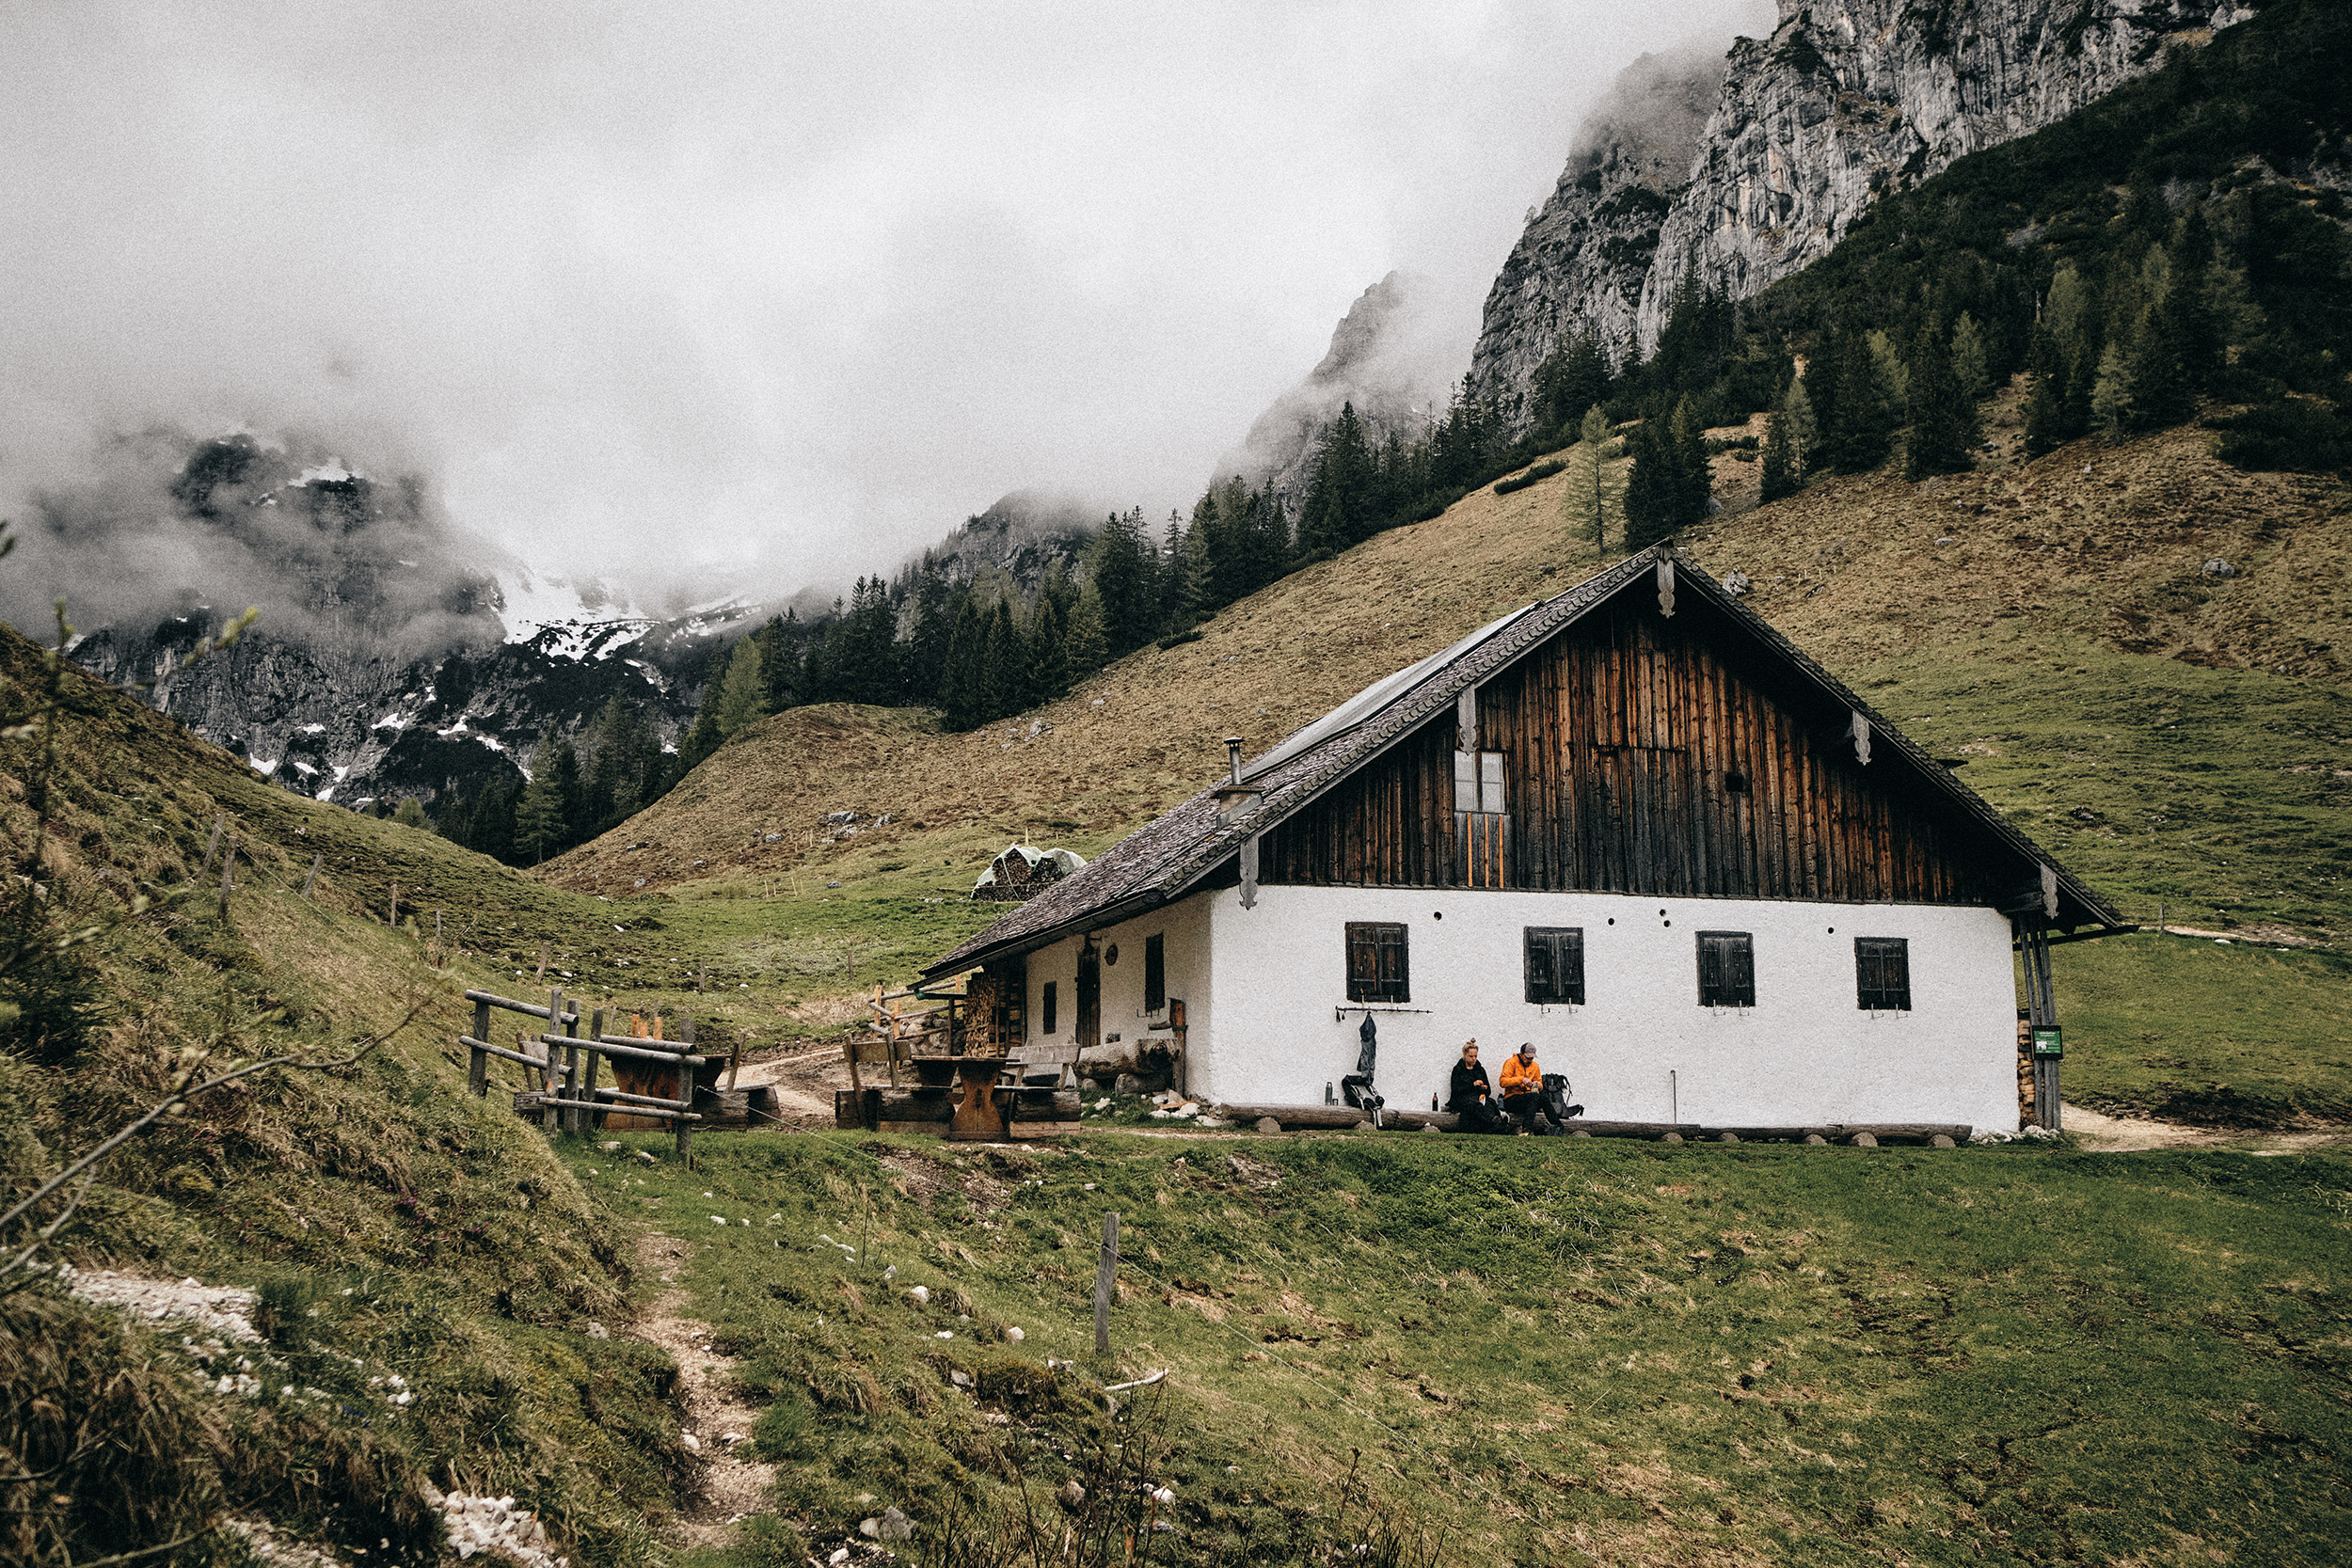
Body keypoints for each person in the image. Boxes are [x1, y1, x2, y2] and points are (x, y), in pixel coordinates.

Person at [1446, 1040, 1507, 1133]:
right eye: (1471, 1056)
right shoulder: (1458, 1070)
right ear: (1465, 1055)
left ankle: (1496, 1122)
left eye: (1476, 1056)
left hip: (1478, 1097)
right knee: (1475, 1105)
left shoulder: (1480, 1069)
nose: (1474, 1059)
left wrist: (1484, 1088)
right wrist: (1472, 1085)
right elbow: (1456, 1089)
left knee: (1490, 1103)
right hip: (1462, 1099)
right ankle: (1494, 1121)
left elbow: (1489, 1091)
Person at [1498, 1042, 1549, 1132]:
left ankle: (1557, 1124)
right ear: (1521, 1054)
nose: (1530, 1060)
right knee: (1534, 1097)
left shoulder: (1535, 1066)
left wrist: (1539, 1086)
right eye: (1528, 1058)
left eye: (1532, 1058)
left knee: (1543, 1097)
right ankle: (1527, 1129)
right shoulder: (1511, 1062)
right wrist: (1521, 1079)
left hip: (1528, 1100)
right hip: (1512, 1099)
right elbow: (1502, 1082)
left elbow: (1539, 1082)